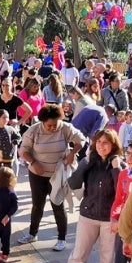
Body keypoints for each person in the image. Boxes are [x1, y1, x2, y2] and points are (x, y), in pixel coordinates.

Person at [55, 130, 122, 263]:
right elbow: (74, 183)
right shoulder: (90, 162)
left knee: (107, 261)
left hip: (109, 219)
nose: (102, 145)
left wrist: (116, 167)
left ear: (114, 145)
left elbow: (120, 190)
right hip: (88, 215)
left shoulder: (118, 164)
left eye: (106, 142)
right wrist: (85, 162)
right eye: (99, 142)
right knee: (78, 256)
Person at [17, 105, 86, 250]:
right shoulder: (34, 130)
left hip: (57, 175)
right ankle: (32, 233)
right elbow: (23, 150)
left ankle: (61, 238)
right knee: (37, 205)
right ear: (42, 121)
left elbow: (81, 139)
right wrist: (33, 162)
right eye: (49, 125)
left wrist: (73, 152)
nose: (53, 128)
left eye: (55, 124)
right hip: (37, 174)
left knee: (58, 205)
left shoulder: (65, 128)